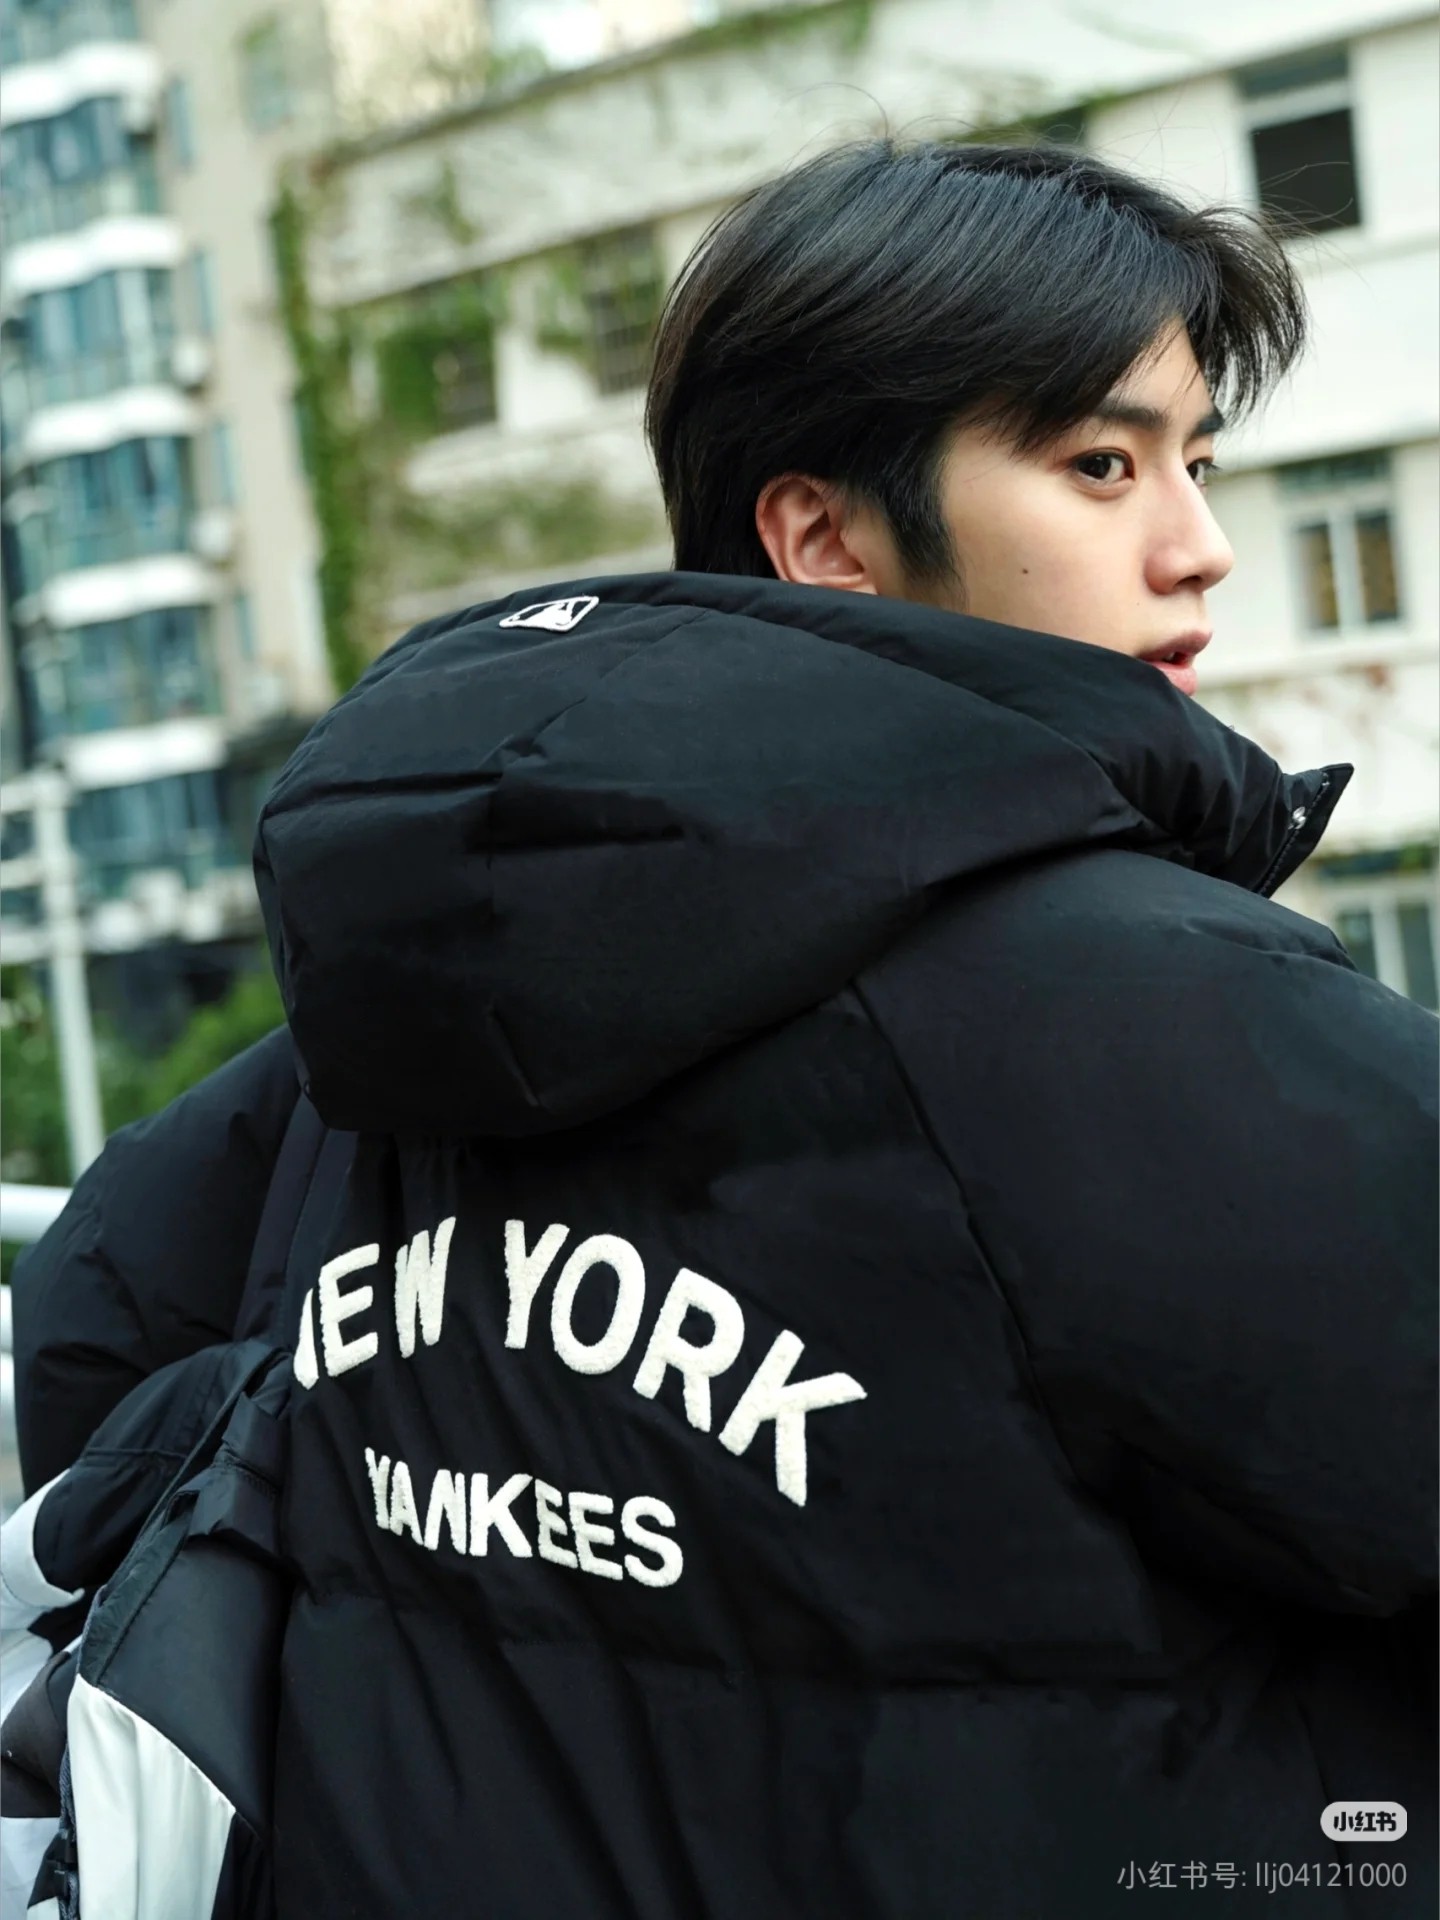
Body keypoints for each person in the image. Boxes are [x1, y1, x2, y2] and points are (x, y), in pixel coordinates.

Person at [12, 139, 1436, 1917]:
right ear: (823, 534)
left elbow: (92, 1350)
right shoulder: (1162, 1022)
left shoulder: (379, 1028)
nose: (1199, 549)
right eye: (1101, 464)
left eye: (1196, 464)